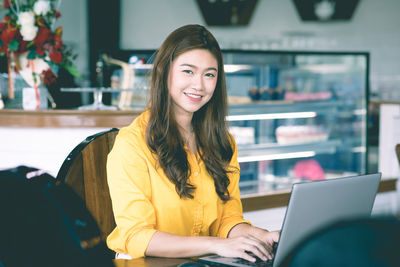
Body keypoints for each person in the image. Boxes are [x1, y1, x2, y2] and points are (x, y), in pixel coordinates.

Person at [106, 24, 279, 262]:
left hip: (199, 263)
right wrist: (217, 245)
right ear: (164, 72)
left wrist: (258, 235)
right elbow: (137, 236)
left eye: (209, 74)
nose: (199, 85)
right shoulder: (131, 145)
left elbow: (227, 221)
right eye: (188, 71)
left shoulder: (222, 143)